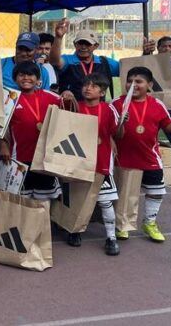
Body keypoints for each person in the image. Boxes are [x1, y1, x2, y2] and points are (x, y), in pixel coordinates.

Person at [112, 67, 171, 243]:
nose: (133, 85)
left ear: (149, 85)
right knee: (125, 194)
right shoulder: (115, 104)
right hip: (124, 158)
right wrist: (120, 124)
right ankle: (122, 225)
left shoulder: (157, 105)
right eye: (130, 81)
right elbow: (111, 133)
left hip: (149, 157)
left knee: (156, 192)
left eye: (139, 82)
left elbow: (168, 125)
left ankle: (150, 222)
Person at [72, 73, 124, 254]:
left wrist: (122, 124)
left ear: (102, 92)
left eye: (93, 86)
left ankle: (111, 237)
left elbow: (117, 135)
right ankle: (75, 230)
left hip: (101, 160)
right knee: (79, 199)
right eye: (86, 84)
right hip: (78, 160)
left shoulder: (109, 110)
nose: (88, 88)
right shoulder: (75, 107)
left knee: (105, 201)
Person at [0, 61, 62, 200]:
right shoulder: (9, 99)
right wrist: (3, 145)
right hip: (20, 157)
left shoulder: (49, 96)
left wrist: (69, 95)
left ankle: (42, 222)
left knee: (43, 200)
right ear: (15, 79)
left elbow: (68, 106)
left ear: (38, 79)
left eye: (30, 75)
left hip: (45, 158)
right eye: (21, 75)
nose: (26, 78)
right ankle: (22, 222)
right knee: (22, 199)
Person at [51, 22, 155, 102]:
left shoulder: (104, 62)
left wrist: (145, 54)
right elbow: (55, 61)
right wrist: (58, 38)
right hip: (71, 109)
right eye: (80, 43)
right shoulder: (68, 60)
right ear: (75, 44)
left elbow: (130, 71)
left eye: (87, 44)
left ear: (96, 46)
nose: (83, 47)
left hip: (97, 109)